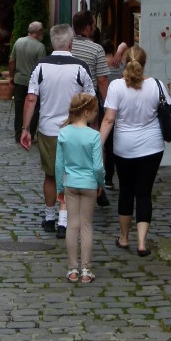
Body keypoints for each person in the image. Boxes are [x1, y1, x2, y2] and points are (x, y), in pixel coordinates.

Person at [20, 24, 95, 239]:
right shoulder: (81, 68)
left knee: (51, 174)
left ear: (52, 42)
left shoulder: (41, 67)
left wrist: (26, 128)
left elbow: (31, 98)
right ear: (71, 43)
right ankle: (64, 220)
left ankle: (50, 216)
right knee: (70, 174)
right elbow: (91, 100)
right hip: (75, 129)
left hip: (48, 129)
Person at [99, 45, 168, 257]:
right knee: (144, 192)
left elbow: (109, 118)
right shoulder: (157, 85)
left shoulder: (116, 87)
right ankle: (141, 243)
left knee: (126, 191)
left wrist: (97, 145)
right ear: (144, 63)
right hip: (152, 146)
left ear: (124, 61)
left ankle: (124, 238)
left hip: (124, 147)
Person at [55, 92, 105, 284]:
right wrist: (100, 183)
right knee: (86, 226)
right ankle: (86, 269)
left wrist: (60, 186)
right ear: (86, 112)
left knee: (72, 225)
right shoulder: (93, 136)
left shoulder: (64, 133)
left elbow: (59, 165)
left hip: (71, 184)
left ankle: (72, 268)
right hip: (89, 184)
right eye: (94, 112)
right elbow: (98, 167)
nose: (95, 115)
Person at [71, 10, 111, 207]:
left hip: (70, 103)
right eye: (94, 25)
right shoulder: (96, 49)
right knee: (96, 144)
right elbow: (102, 80)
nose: (95, 28)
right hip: (90, 104)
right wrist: (108, 104)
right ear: (88, 28)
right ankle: (97, 185)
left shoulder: (67, 47)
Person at [8, 21, 46, 143]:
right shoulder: (40, 47)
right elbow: (41, 68)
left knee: (19, 108)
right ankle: (30, 133)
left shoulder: (18, 42)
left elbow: (12, 61)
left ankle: (18, 134)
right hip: (32, 83)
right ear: (39, 31)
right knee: (34, 108)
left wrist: (11, 77)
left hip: (19, 80)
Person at [101, 39, 128, 188]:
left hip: (106, 111)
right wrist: (119, 51)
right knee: (117, 145)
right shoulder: (121, 66)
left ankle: (108, 177)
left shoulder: (101, 67)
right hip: (121, 111)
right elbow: (125, 44)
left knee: (108, 146)